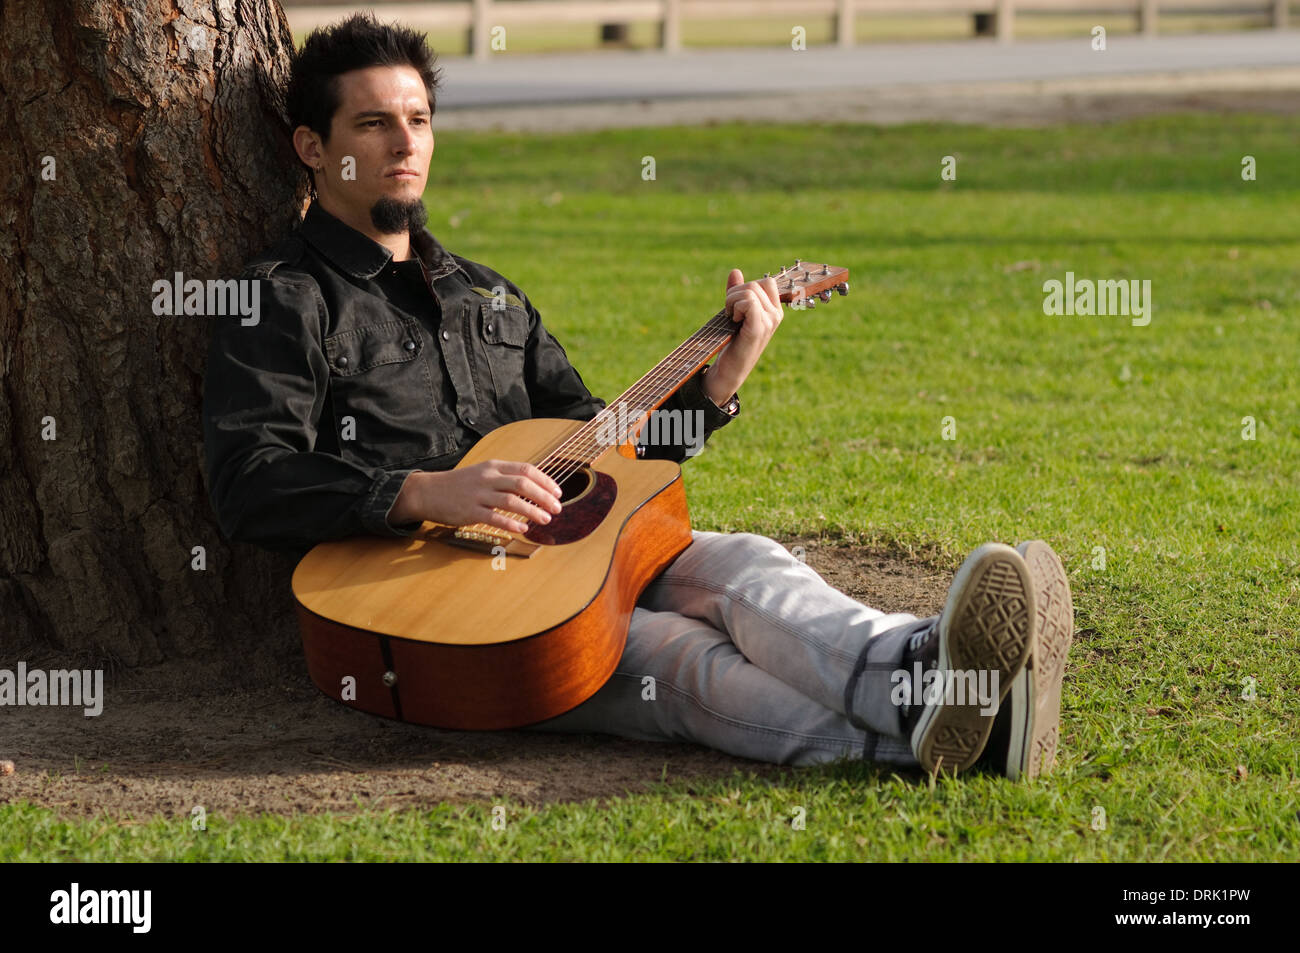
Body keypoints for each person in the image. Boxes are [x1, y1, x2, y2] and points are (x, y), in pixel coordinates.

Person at [202, 13, 1073, 779]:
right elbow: (247, 478)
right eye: (374, 123)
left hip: (569, 559)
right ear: (312, 148)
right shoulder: (283, 298)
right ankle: (961, 736)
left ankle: (921, 668)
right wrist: (419, 491)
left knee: (744, 563)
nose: (405, 144)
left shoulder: (487, 294)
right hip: (444, 616)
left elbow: (600, 449)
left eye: (419, 120)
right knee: (677, 655)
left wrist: (717, 384)